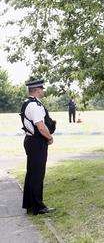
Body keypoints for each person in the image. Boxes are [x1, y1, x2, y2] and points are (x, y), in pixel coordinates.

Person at [20, 79, 56, 215]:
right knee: (37, 175)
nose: (43, 91)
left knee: (32, 173)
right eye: (42, 88)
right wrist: (50, 137)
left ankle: (30, 205)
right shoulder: (34, 106)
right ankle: (38, 206)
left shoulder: (28, 103)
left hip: (31, 141)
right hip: (37, 142)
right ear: (37, 90)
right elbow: (40, 126)